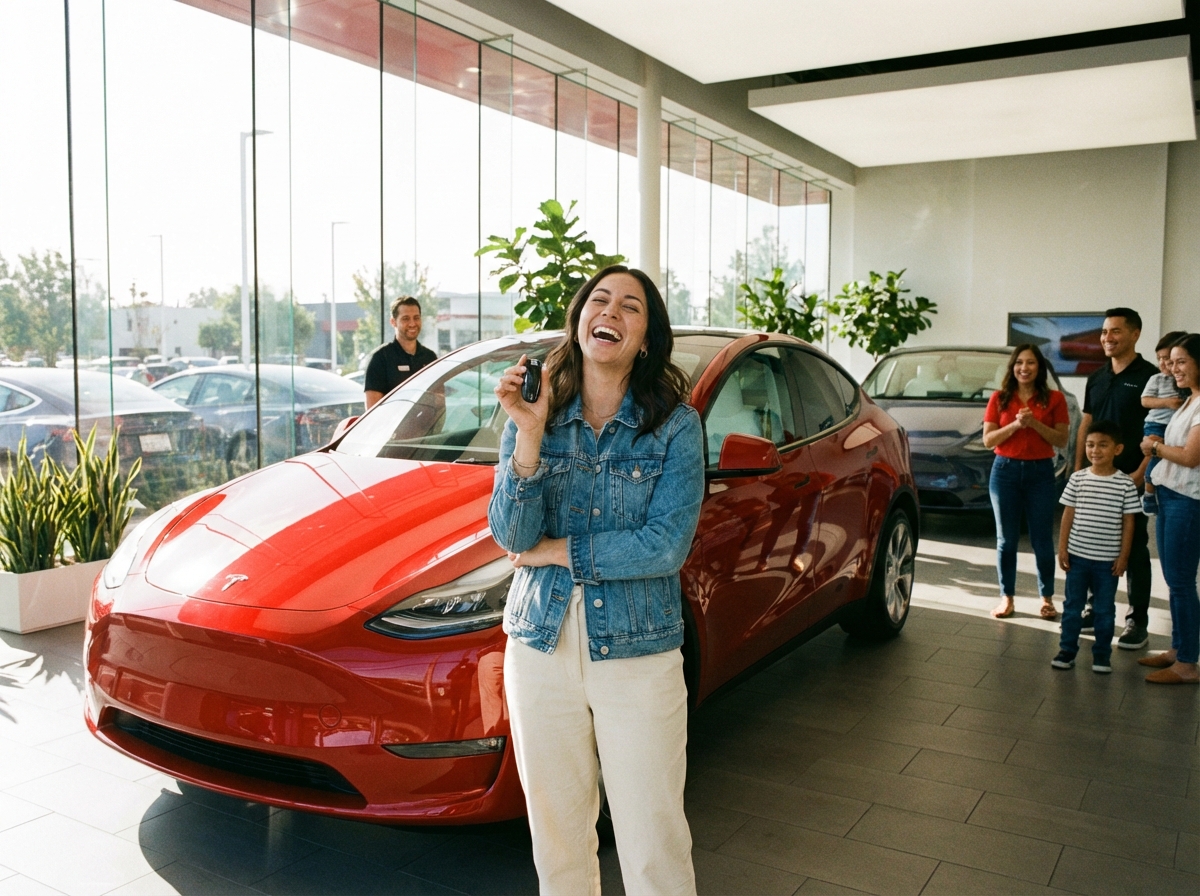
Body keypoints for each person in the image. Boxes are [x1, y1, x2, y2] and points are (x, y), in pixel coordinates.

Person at [488, 265, 704, 895]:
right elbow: (510, 535)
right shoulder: (536, 415)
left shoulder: (674, 426)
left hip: (638, 653)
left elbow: (664, 546)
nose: (611, 312)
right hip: (539, 646)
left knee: (652, 840)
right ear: (580, 318)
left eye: (631, 307)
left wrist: (560, 550)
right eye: (599, 300)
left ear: (645, 337)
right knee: (556, 839)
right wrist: (528, 435)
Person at [1075, 307, 1157, 650]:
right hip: (1095, 476)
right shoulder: (1097, 377)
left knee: (1135, 549)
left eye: (1116, 332)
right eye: (1104, 332)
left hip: (1132, 477)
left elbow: (1160, 430)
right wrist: (1078, 467)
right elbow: (1087, 423)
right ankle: (1096, 607)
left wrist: (1141, 473)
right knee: (1096, 542)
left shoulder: (1151, 377)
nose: (1108, 338)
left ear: (1135, 334)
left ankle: (1137, 620)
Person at [983, 344, 1070, 620]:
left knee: (1042, 540)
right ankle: (1006, 598)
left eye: (1031, 363)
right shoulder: (999, 398)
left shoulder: (1054, 399)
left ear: (1039, 368)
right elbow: (988, 440)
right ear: (1012, 367)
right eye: (1019, 362)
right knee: (1006, 540)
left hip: (1040, 473)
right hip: (1005, 471)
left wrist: (1034, 425)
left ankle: (1046, 599)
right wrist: (1016, 425)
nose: (1024, 368)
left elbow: (1061, 439)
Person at [1053, 421, 1140, 673]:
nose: (1095, 450)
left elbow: (1129, 523)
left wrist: (1123, 557)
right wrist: (1062, 548)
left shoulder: (1124, 484)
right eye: (1090, 445)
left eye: (1103, 445)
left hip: (1107, 562)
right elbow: (1068, 515)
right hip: (1077, 558)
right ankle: (1067, 650)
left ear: (1118, 449)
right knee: (1072, 607)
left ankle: (1102, 655)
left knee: (1104, 609)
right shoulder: (1078, 479)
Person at [1139, 333, 1200, 685]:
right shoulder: (1189, 400)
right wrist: (1160, 445)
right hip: (1170, 494)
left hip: (1187, 500)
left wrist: (1155, 448)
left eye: (1181, 362)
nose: (1173, 368)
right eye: (1171, 361)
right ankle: (1179, 650)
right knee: (1175, 581)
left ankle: (1188, 663)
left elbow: (1192, 457)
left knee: (1181, 582)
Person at [1140, 330, 1189, 515]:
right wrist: (1168, 403)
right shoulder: (1157, 379)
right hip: (1156, 424)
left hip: (1174, 427)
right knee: (1156, 456)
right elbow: (1145, 400)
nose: (1165, 363)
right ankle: (1149, 492)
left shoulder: (1184, 384)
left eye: (1169, 358)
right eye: (1159, 358)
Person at [363, 296, 437, 409]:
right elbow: (372, 410)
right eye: (406, 319)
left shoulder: (430, 357)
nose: (412, 324)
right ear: (393, 322)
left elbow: (438, 402)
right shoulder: (381, 358)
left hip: (425, 426)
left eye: (416, 318)